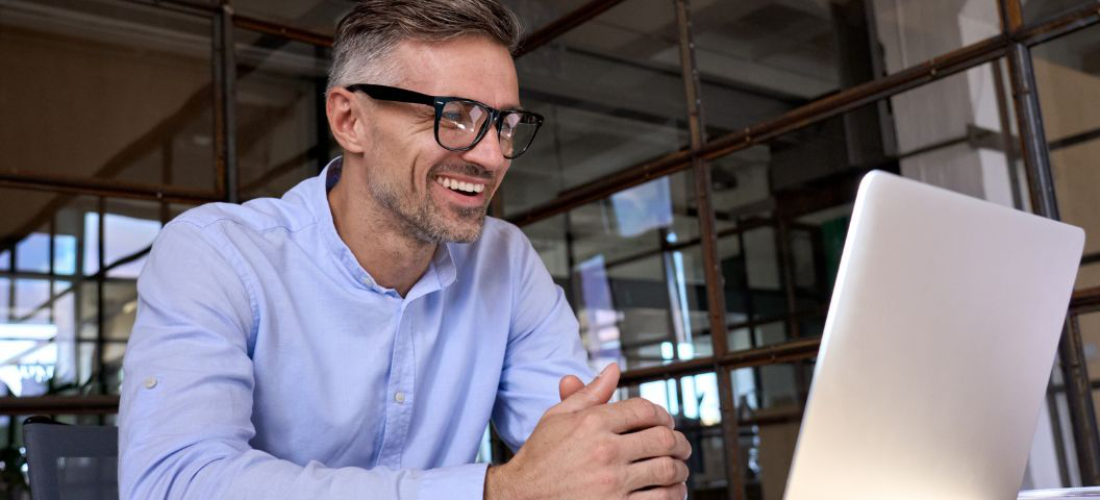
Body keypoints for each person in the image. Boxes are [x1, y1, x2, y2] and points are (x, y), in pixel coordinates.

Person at [118, 1, 691, 498]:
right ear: (350, 120)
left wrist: (626, 467)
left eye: (504, 123)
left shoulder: (506, 262)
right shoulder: (215, 254)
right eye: (454, 116)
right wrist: (495, 491)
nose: (492, 157)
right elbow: (175, 483)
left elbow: (578, 461)